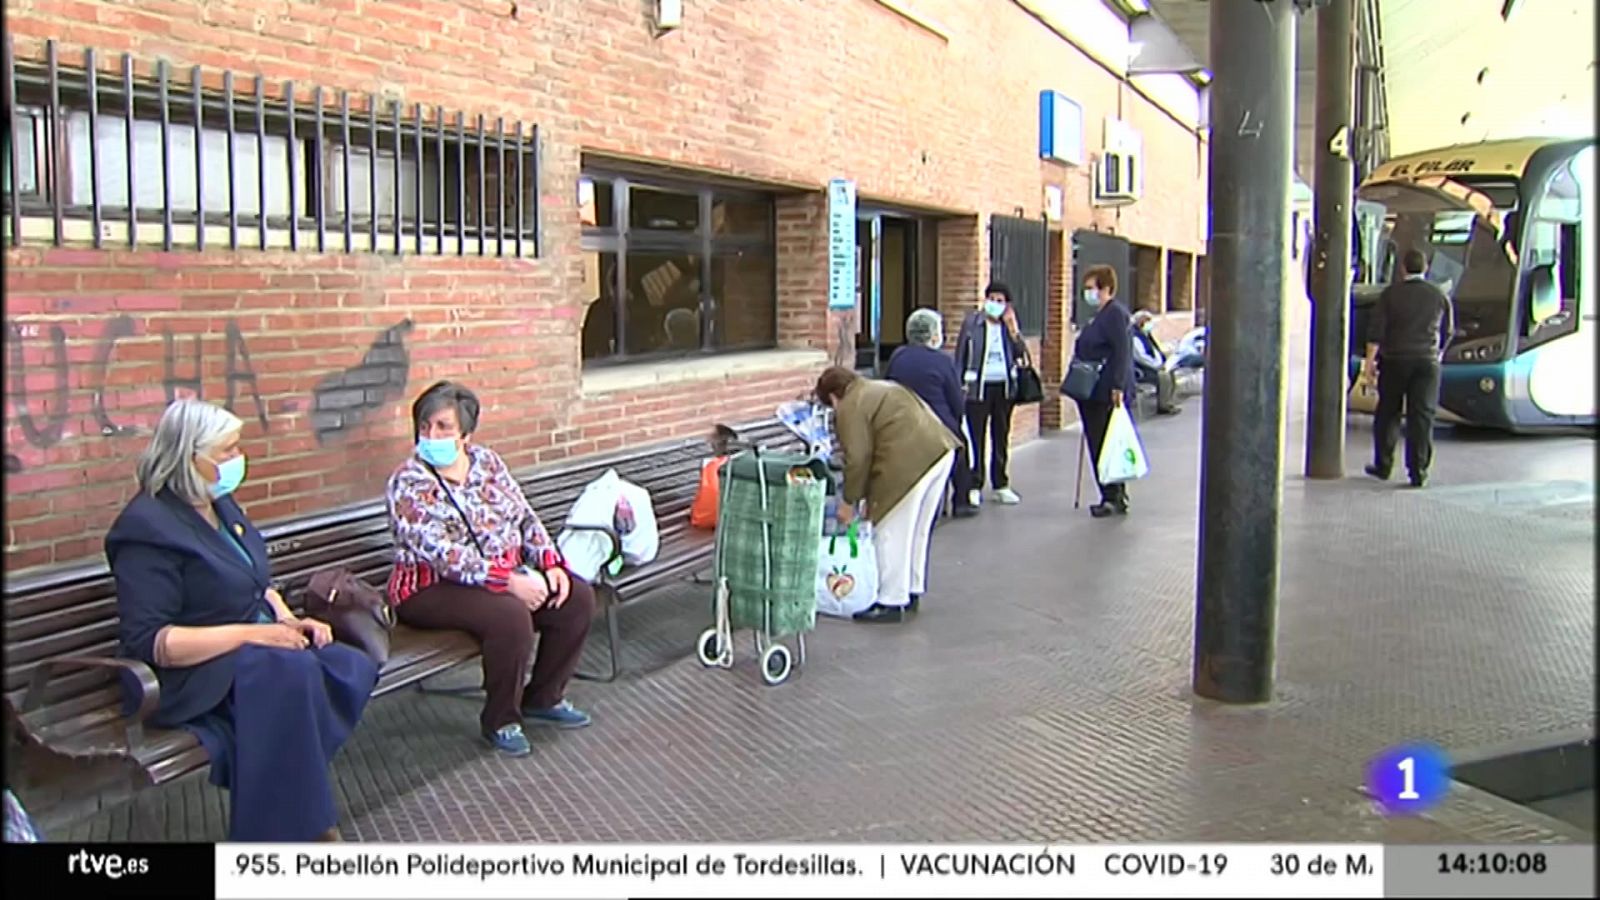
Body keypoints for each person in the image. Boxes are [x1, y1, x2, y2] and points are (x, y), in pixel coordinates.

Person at [104, 399, 378, 842]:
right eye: (226, 452)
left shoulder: (219, 504)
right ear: (190, 457)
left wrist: (288, 620)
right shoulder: (146, 529)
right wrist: (256, 634)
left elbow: (254, 583)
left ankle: (293, 811)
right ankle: (296, 830)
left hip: (248, 652)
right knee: (288, 672)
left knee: (344, 665)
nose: (237, 461)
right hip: (187, 674)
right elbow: (154, 642)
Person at [385, 381, 597, 757]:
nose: (431, 435)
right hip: (428, 588)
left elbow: (524, 516)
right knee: (509, 615)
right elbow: (441, 553)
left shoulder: (488, 463)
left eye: (443, 427)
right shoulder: (407, 482)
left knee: (576, 597)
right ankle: (501, 719)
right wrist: (507, 581)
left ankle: (544, 698)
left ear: (466, 435)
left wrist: (551, 563)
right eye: (424, 426)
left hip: (499, 578)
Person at [815, 366, 959, 624]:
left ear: (833, 397)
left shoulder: (850, 405)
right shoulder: (879, 387)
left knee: (891, 531)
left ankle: (890, 600)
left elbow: (858, 458)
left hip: (908, 463)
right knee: (917, 530)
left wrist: (849, 501)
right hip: (940, 449)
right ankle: (911, 588)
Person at [1361, 248, 1454, 487]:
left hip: (1395, 361)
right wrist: (1437, 354)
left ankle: (1383, 465)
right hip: (1427, 363)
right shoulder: (1438, 295)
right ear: (1425, 268)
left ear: (1403, 268)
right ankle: (1418, 471)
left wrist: (1370, 363)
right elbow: (1448, 331)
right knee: (1421, 417)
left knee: (1388, 414)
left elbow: (1376, 331)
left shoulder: (1390, 295)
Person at [886, 309, 975, 519]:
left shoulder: (898, 356)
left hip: (903, 422)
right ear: (934, 335)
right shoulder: (943, 361)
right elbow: (956, 402)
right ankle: (961, 500)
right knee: (962, 449)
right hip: (938, 425)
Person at [953, 282, 1029, 508]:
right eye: (991, 298)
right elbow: (961, 355)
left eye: (1000, 300)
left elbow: (1021, 354)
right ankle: (975, 483)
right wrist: (959, 384)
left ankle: (1001, 484)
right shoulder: (972, 323)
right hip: (978, 387)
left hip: (1004, 387)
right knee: (976, 437)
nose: (995, 304)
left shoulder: (1008, 326)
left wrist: (1014, 331)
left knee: (1001, 435)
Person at [1071, 265, 1137, 518]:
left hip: (1105, 391)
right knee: (1098, 441)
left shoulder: (1114, 315)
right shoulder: (1098, 317)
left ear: (1105, 289)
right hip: (1092, 391)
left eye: (1091, 288)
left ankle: (1112, 494)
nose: (1087, 293)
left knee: (1104, 443)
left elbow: (1122, 352)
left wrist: (1118, 385)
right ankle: (1112, 493)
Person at [1130, 310, 1182, 416]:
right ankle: (1163, 406)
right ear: (1141, 323)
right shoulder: (1135, 337)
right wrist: (1157, 366)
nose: (1151, 324)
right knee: (1163, 376)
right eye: (1148, 321)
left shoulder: (1147, 336)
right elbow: (1142, 357)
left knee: (1171, 372)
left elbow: (1155, 351)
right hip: (1144, 370)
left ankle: (1169, 401)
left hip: (1154, 366)